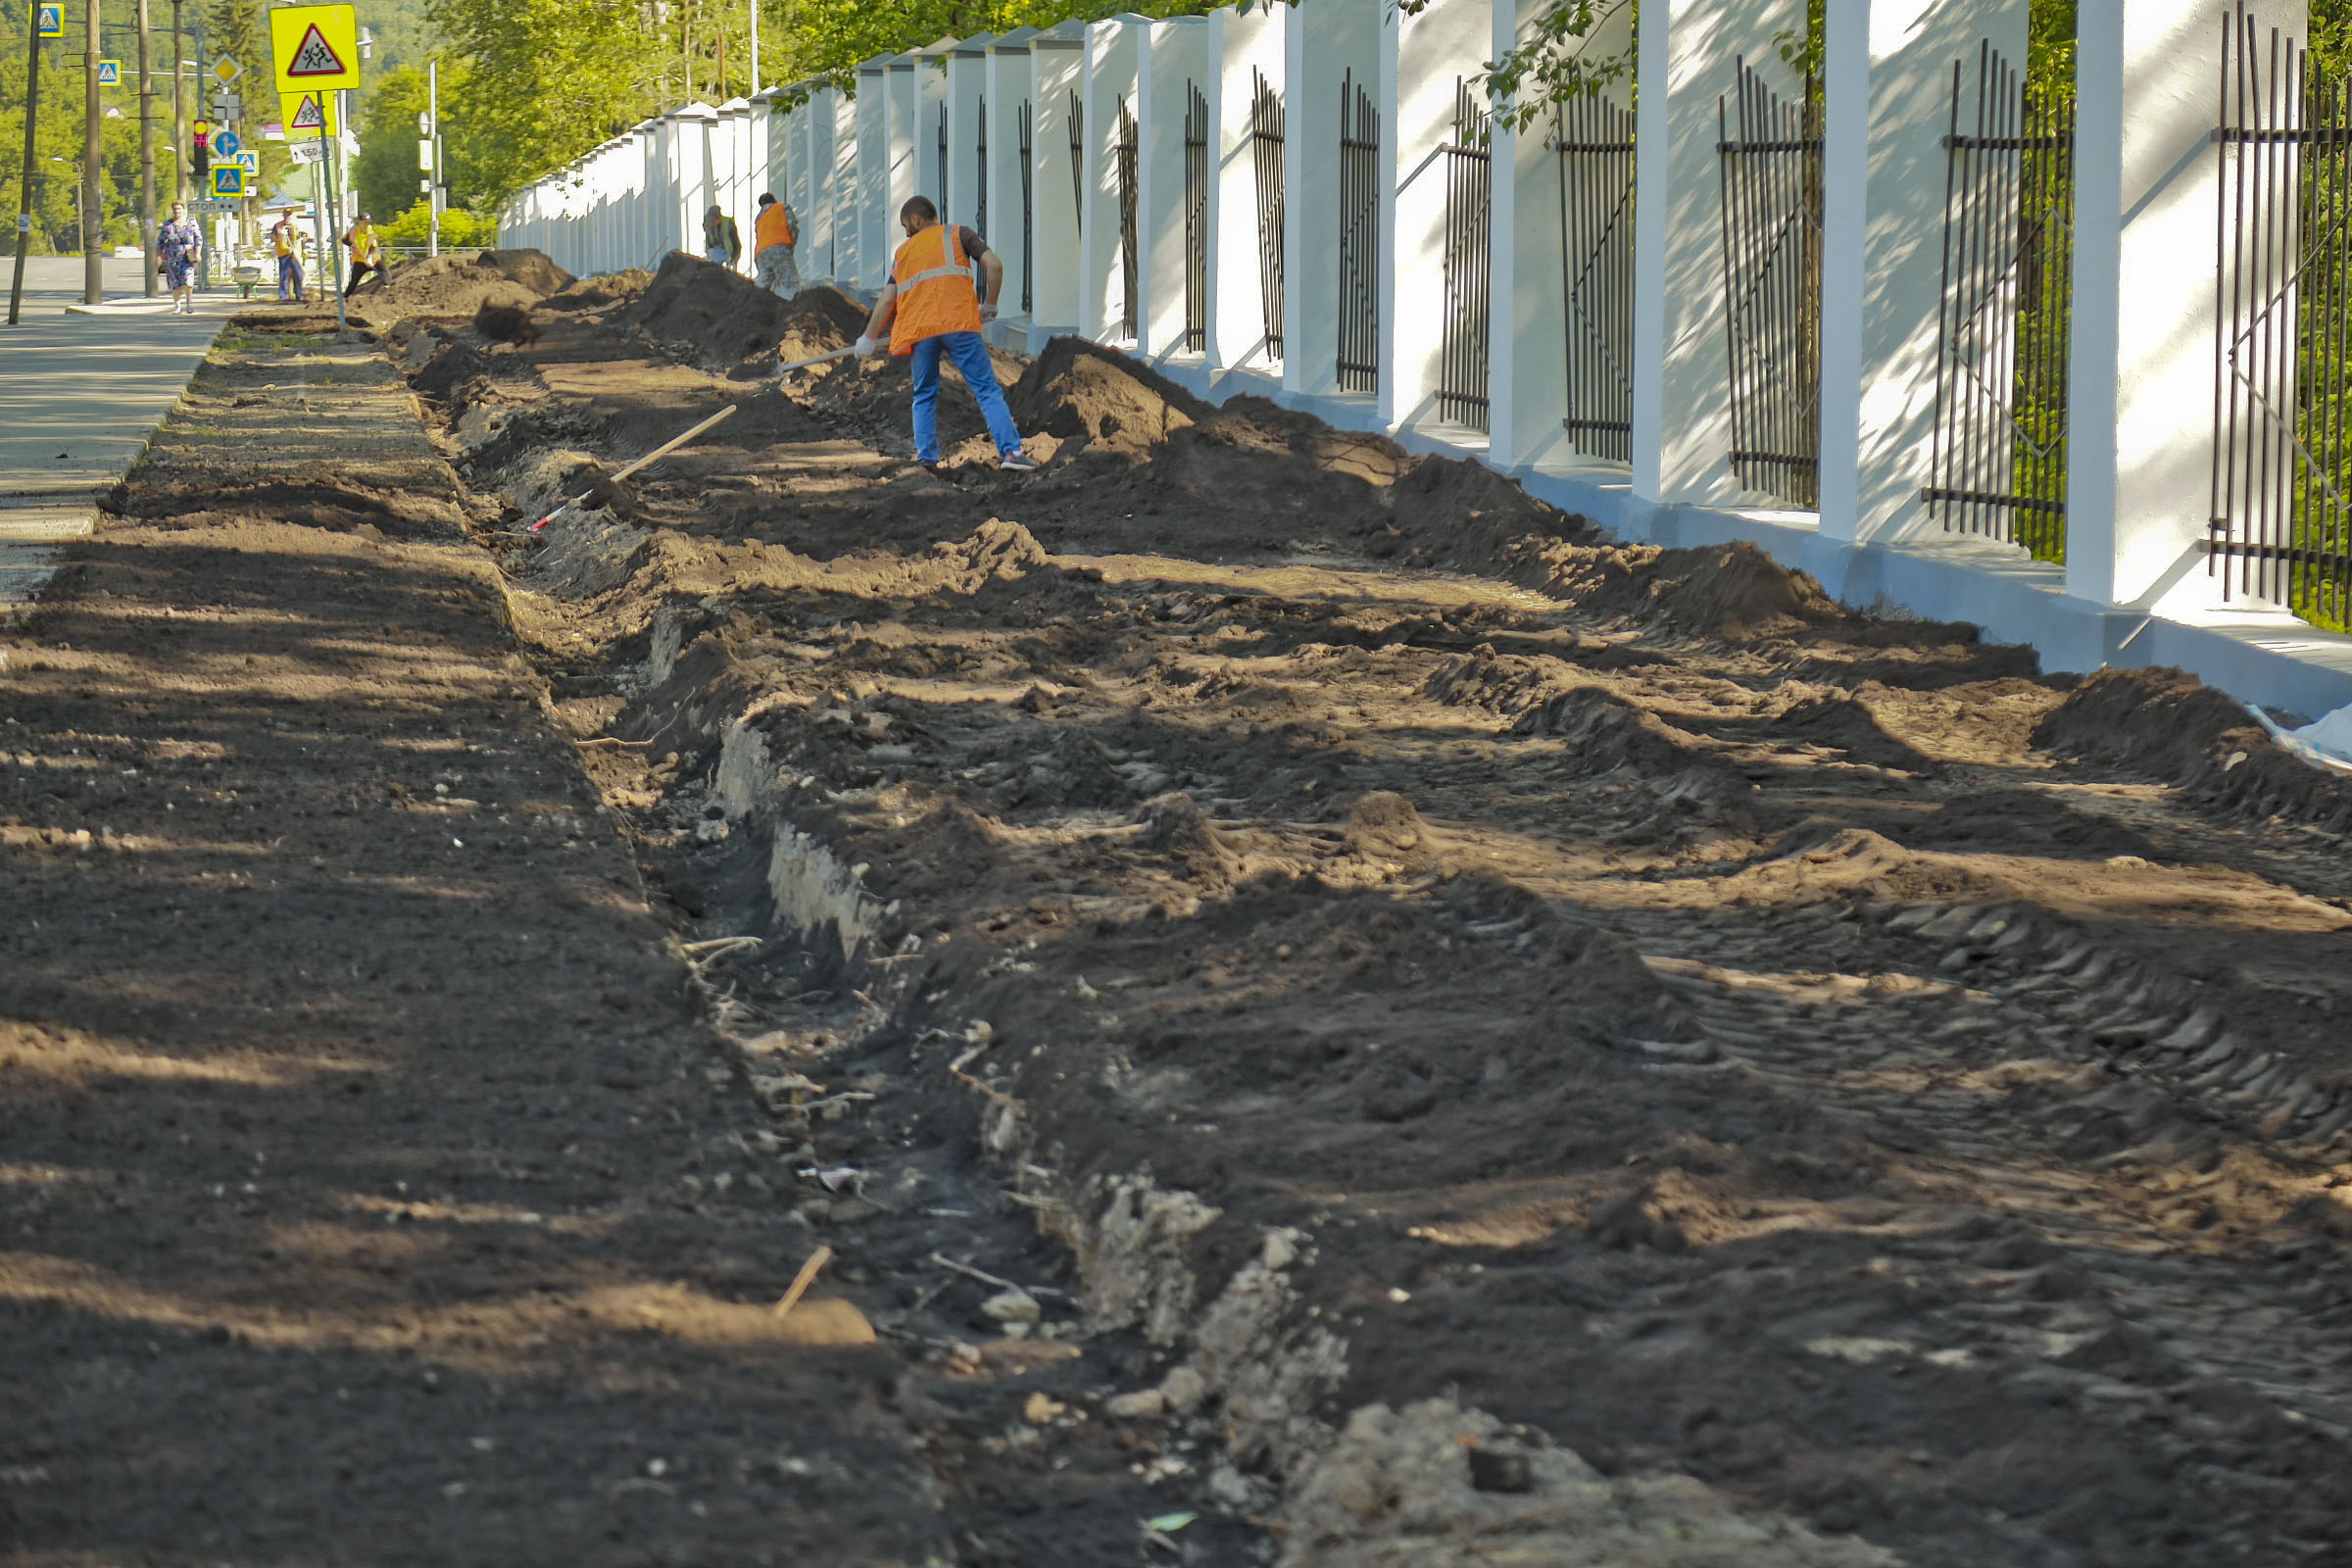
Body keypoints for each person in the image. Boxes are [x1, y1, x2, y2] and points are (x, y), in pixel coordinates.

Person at [856, 196, 1036, 472]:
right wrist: (990, 303)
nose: (906, 233)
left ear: (916, 219)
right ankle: (1011, 453)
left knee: (923, 395)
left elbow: (887, 299)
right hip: (960, 325)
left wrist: (868, 337)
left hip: (922, 332)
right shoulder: (959, 235)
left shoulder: (903, 254)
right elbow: (995, 265)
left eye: (905, 226)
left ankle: (927, 459)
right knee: (987, 391)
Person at [156, 201, 203, 315]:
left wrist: (198, 253)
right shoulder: (168, 224)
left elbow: (198, 238)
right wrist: (159, 256)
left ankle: (189, 301)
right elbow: (160, 242)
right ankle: (177, 306)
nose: (177, 211)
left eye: (179, 208)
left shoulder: (191, 222)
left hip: (187, 257)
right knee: (174, 282)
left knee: (188, 280)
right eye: (175, 209)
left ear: (183, 210)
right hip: (172, 257)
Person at [752, 192, 799, 298]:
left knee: (763, 285)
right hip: (780, 249)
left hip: (761, 253)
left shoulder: (759, 217)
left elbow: (758, 237)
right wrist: (792, 243)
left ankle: (753, 302)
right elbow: (792, 226)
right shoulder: (782, 207)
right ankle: (792, 305)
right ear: (774, 200)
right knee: (790, 282)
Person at [343, 212, 385, 296]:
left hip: (372, 259)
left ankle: (388, 286)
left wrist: (370, 256)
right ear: (360, 222)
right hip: (359, 260)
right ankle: (346, 297)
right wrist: (352, 245)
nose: (367, 224)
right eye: (365, 221)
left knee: (384, 270)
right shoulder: (354, 232)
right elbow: (344, 240)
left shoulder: (371, 232)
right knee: (354, 281)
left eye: (368, 222)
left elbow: (373, 247)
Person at [270, 214, 305, 302]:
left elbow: (298, 239)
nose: (288, 218)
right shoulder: (278, 226)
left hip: (294, 254)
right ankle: (283, 295)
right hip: (283, 254)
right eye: (286, 216)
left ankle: (299, 294)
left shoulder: (295, 227)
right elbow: (273, 237)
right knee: (284, 275)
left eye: (289, 217)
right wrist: (279, 236)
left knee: (299, 274)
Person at [703, 204, 742, 271]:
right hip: (717, 250)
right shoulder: (709, 225)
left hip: (730, 252)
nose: (711, 223)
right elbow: (708, 241)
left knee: (729, 273)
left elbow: (737, 245)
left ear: (719, 218)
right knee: (713, 270)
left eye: (713, 221)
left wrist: (734, 260)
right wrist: (709, 253)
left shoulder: (729, 225)